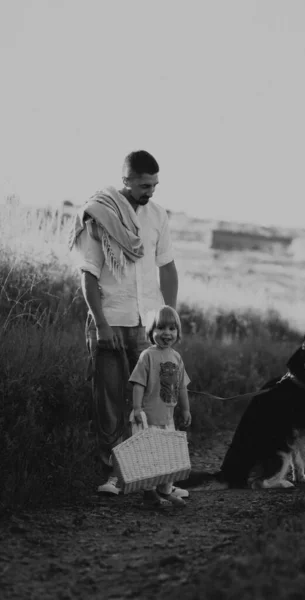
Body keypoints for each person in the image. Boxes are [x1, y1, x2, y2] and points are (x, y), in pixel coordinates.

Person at [69, 150, 179, 495]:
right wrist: (100, 324)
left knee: (156, 402)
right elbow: (87, 274)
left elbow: (168, 267)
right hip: (110, 323)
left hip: (148, 325)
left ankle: (157, 479)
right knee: (110, 406)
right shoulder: (100, 216)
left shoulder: (158, 216)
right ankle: (114, 477)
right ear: (126, 180)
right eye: (145, 184)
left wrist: (170, 318)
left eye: (155, 184)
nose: (151, 191)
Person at [129, 305, 192, 507]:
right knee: (150, 458)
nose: (167, 333)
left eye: (172, 329)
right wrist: (137, 407)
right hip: (149, 418)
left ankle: (165, 491)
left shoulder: (176, 357)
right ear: (151, 331)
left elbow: (182, 387)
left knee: (169, 458)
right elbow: (138, 383)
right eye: (161, 328)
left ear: (178, 333)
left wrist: (185, 409)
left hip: (168, 418)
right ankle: (149, 494)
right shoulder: (147, 355)